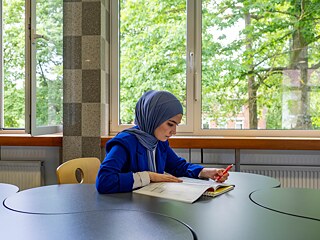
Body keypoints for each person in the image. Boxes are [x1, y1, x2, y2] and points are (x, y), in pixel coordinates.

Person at [96, 90, 229, 193]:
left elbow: (178, 166)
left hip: (149, 208)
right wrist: (148, 176)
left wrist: (206, 172)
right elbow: (104, 181)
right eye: (170, 124)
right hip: (126, 211)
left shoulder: (159, 142)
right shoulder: (124, 143)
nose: (174, 131)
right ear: (153, 118)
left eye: (176, 125)